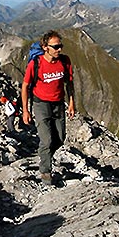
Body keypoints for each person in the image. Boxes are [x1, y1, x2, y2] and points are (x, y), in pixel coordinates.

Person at [21, 30, 75, 183]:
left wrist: (71, 103)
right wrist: (26, 110)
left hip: (58, 103)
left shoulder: (65, 61)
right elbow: (25, 86)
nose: (59, 49)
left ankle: (43, 155)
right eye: (56, 46)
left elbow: (69, 83)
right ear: (45, 47)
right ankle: (45, 171)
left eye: (60, 46)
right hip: (41, 104)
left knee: (60, 138)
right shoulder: (35, 63)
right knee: (46, 140)